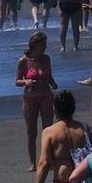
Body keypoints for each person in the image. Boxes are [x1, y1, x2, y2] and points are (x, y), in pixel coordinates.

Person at [16, 32, 58, 171]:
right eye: (43, 45)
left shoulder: (46, 59)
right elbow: (17, 81)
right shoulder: (24, 61)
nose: (45, 48)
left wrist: (53, 83)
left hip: (46, 95)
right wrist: (25, 81)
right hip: (30, 97)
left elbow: (50, 76)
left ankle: (47, 160)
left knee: (48, 130)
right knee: (31, 132)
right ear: (35, 45)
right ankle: (33, 163)